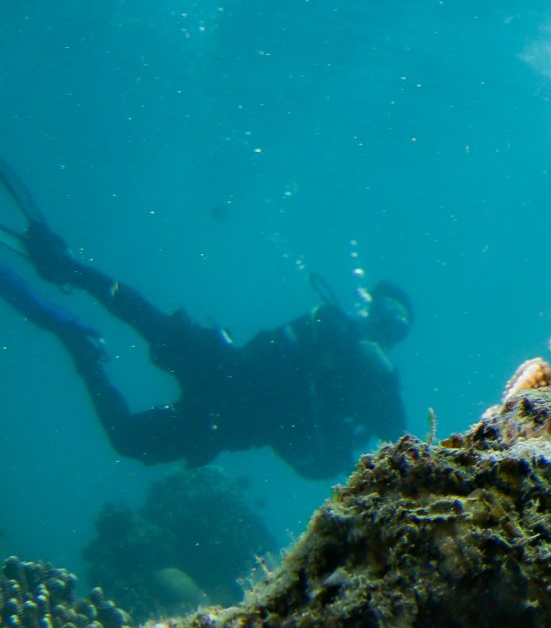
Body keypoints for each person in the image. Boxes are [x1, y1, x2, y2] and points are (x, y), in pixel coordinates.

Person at [0, 159, 409, 480]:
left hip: (227, 423)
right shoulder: (332, 324)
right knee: (151, 321)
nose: (384, 323)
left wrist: (385, 380)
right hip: (225, 369)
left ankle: (80, 347)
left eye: (396, 322)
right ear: (368, 307)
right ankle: (65, 266)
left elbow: (399, 449)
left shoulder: (378, 385)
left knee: (127, 440)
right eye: (382, 310)